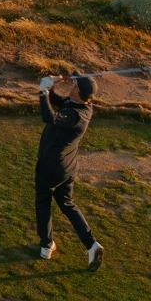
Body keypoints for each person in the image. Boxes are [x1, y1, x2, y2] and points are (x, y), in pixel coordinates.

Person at [35, 73, 104, 269]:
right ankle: (92, 245)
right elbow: (57, 102)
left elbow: (48, 116)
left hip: (51, 167)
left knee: (43, 202)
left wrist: (42, 92)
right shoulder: (81, 105)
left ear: (79, 92)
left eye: (75, 84)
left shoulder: (75, 116)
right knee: (67, 204)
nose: (72, 85)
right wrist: (50, 88)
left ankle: (46, 245)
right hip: (67, 167)